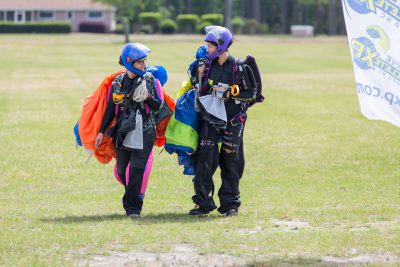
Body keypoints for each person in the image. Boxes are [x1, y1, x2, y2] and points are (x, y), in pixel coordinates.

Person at [189, 26, 258, 216]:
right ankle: (202, 202)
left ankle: (230, 205)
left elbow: (251, 94)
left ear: (221, 46)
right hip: (210, 118)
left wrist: (229, 94)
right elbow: (198, 88)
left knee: (231, 162)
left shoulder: (240, 68)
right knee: (204, 159)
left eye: (211, 46)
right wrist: (199, 75)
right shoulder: (206, 66)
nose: (208, 49)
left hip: (233, 120)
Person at [94, 43, 161, 219]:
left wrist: (147, 97)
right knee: (123, 170)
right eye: (140, 62)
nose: (143, 66)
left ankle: (133, 208)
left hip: (145, 129)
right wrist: (101, 131)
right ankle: (135, 194)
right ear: (129, 62)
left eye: (144, 62)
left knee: (137, 169)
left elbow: (157, 106)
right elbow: (110, 108)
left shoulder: (149, 80)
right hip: (123, 130)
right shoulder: (117, 82)